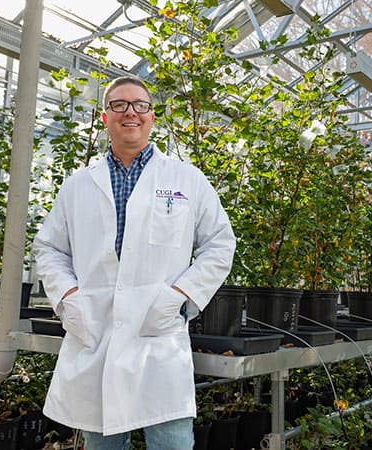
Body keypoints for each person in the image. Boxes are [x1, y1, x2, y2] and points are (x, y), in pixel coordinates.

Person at [33, 76, 236, 450]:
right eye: (119, 105)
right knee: (102, 444)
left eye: (140, 105)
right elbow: (48, 248)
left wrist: (179, 295)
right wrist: (68, 297)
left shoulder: (186, 180)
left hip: (156, 334)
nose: (131, 112)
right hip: (96, 332)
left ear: (152, 117)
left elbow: (220, 243)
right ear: (104, 118)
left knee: (171, 442)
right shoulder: (78, 185)